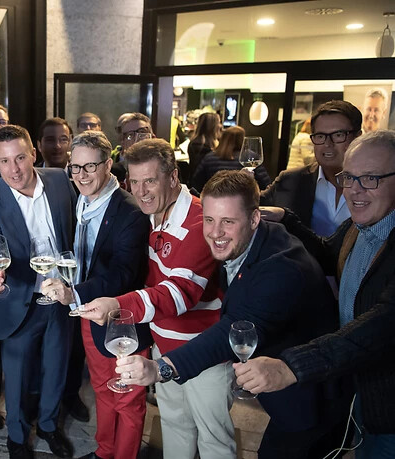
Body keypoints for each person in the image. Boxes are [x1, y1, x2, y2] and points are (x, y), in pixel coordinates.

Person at [118, 170, 348, 458]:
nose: (215, 232)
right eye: (210, 220)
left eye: (228, 221)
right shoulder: (256, 237)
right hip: (282, 385)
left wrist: (161, 368)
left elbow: (230, 330)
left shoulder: (281, 269)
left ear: (254, 219)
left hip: (311, 395)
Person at [235, 130, 395, 458]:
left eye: (370, 179)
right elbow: (327, 253)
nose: (354, 191)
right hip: (355, 388)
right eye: (349, 177)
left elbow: (378, 326)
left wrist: (290, 367)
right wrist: (287, 219)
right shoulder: (360, 226)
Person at [82, 139, 235, 459]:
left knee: (214, 442)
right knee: (176, 427)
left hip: (204, 351)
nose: (141, 191)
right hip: (165, 349)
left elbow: (179, 294)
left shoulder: (198, 221)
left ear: (173, 177)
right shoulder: (152, 214)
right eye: (134, 182)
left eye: (150, 180)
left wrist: (117, 304)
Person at [42, 131, 151, 459]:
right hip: (89, 311)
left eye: (90, 167)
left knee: (128, 400)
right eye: (75, 168)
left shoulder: (129, 211)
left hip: (124, 319)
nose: (82, 175)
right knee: (103, 390)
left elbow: (123, 274)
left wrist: (74, 291)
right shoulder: (83, 202)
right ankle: (105, 452)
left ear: (108, 166)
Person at [0, 125, 77, 459]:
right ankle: (17, 438)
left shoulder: (61, 181)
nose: (14, 169)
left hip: (60, 297)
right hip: (21, 300)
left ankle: (48, 426)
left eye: (20, 158)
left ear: (33, 153)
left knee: (56, 368)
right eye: (4, 161)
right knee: (17, 380)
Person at [260, 100, 361, 236]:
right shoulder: (291, 180)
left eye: (338, 135)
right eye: (320, 136)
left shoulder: (377, 186)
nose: (327, 144)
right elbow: (249, 205)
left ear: (358, 137)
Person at [191, 126, 272, 192]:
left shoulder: (209, 157)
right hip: (243, 200)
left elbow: (196, 182)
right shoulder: (251, 158)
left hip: (215, 198)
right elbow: (266, 184)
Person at [186, 112, 221, 185]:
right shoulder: (200, 146)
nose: (220, 126)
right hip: (203, 187)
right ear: (212, 126)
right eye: (218, 123)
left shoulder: (195, 143)